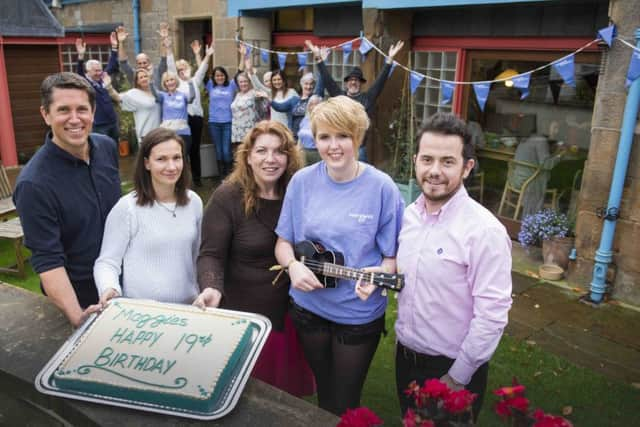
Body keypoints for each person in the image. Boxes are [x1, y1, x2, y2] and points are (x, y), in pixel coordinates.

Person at [274, 96, 405, 416]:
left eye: (343, 136)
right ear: (314, 139)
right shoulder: (301, 182)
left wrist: (377, 277)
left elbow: (392, 257)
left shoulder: (382, 188)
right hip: (308, 309)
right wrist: (292, 267)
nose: (334, 146)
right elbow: (283, 242)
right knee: (324, 392)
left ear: (357, 137)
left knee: (346, 400)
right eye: (324, 137)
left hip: (356, 315)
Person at [392, 112, 512, 421]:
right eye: (427, 159)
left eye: (447, 161)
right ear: (416, 160)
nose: (434, 171)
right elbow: (412, 278)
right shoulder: (410, 216)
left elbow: (492, 314)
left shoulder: (484, 232)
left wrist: (458, 376)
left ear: (467, 166)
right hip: (405, 359)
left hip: (452, 367)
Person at [194, 120, 313, 397]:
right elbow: (210, 254)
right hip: (247, 320)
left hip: (293, 316)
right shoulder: (228, 197)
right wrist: (211, 286)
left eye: (279, 151)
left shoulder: (297, 194)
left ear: (289, 156)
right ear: (248, 156)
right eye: (261, 151)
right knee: (250, 399)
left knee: (288, 404)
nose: (270, 159)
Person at [13, 72, 121, 327]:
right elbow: (48, 261)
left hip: (120, 280)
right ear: (46, 114)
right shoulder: (33, 185)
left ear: (93, 112)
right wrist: (78, 316)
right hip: (82, 295)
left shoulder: (106, 147)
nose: (75, 119)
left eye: (82, 109)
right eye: (63, 110)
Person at [94, 128, 202, 305]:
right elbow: (107, 262)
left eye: (177, 157)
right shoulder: (127, 208)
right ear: (147, 163)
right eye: (161, 159)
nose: (172, 167)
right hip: (144, 315)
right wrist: (109, 288)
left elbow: (198, 255)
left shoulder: (194, 202)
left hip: (189, 308)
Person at [306, 39, 404, 162]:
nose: (353, 82)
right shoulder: (339, 96)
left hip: (359, 149)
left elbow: (380, 82)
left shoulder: (367, 98)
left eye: (356, 80)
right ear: (346, 83)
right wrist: (319, 59)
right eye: (351, 80)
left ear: (360, 83)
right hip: (340, 147)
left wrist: (389, 60)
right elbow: (327, 79)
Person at [170, 40, 213, 186]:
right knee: (182, 151)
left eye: (184, 68)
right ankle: (181, 181)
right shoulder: (175, 85)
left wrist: (202, 55)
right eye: (179, 69)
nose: (182, 70)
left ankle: (197, 179)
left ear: (188, 68)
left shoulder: (194, 80)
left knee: (195, 149)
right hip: (183, 120)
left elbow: (202, 68)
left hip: (197, 119)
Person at [75, 33, 120, 141]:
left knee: (114, 149)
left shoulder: (103, 78)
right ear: (88, 71)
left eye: (100, 69)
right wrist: (81, 56)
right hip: (99, 125)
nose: (99, 72)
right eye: (96, 71)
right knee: (102, 149)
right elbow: (79, 72)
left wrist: (114, 47)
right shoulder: (85, 82)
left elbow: (112, 65)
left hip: (112, 122)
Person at [512, 134, 566, 217]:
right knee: (552, 177)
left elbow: (541, 159)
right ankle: (536, 216)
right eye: (554, 128)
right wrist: (560, 155)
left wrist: (553, 151)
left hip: (516, 179)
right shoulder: (541, 141)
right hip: (528, 182)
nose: (556, 131)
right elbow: (547, 165)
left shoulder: (528, 137)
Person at [104, 68, 161, 144]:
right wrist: (109, 87)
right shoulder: (134, 93)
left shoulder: (156, 92)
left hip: (159, 134)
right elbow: (118, 97)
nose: (144, 79)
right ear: (137, 81)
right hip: (145, 135)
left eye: (145, 76)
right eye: (141, 77)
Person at [270, 72, 324, 140]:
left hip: (308, 138)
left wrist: (321, 63)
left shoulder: (314, 99)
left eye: (311, 84)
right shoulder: (294, 100)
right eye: (306, 84)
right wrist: (269, 100)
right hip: (294, 137)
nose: (309, 86)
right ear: (301, 85)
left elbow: (321, 80)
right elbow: (279, 107)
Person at [206, 64, 238, 177]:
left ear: (225, 76)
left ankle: (229, 176)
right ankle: (221, 176)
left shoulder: (231, 86)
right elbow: (203, 71)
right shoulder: (210, 86)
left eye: (222, 75)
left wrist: (244, 56)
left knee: (226, 150)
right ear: (213, 77)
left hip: (228, 122)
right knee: (218, 151)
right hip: (214, 123)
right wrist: (199, 55)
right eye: (217, 76)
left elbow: (239, 72)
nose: (219, 77)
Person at [230, 72, 264, 148]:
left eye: (245, 81)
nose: (243, 84)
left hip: (250, 131)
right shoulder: (237, 94)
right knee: (239, 156)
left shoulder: (254, 93)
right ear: (238, 83)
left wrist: (251, 71)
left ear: (249, 82)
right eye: (241, 82)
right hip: (237, 132)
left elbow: (261, 90)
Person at [297, 94, 322, 164]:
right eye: (311, 104)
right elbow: (300, 138)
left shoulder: (323, 121)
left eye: (316, 104)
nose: (313, 107)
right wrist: (297, 151)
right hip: (303, 153)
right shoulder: (304, 120)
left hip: (317, 154)